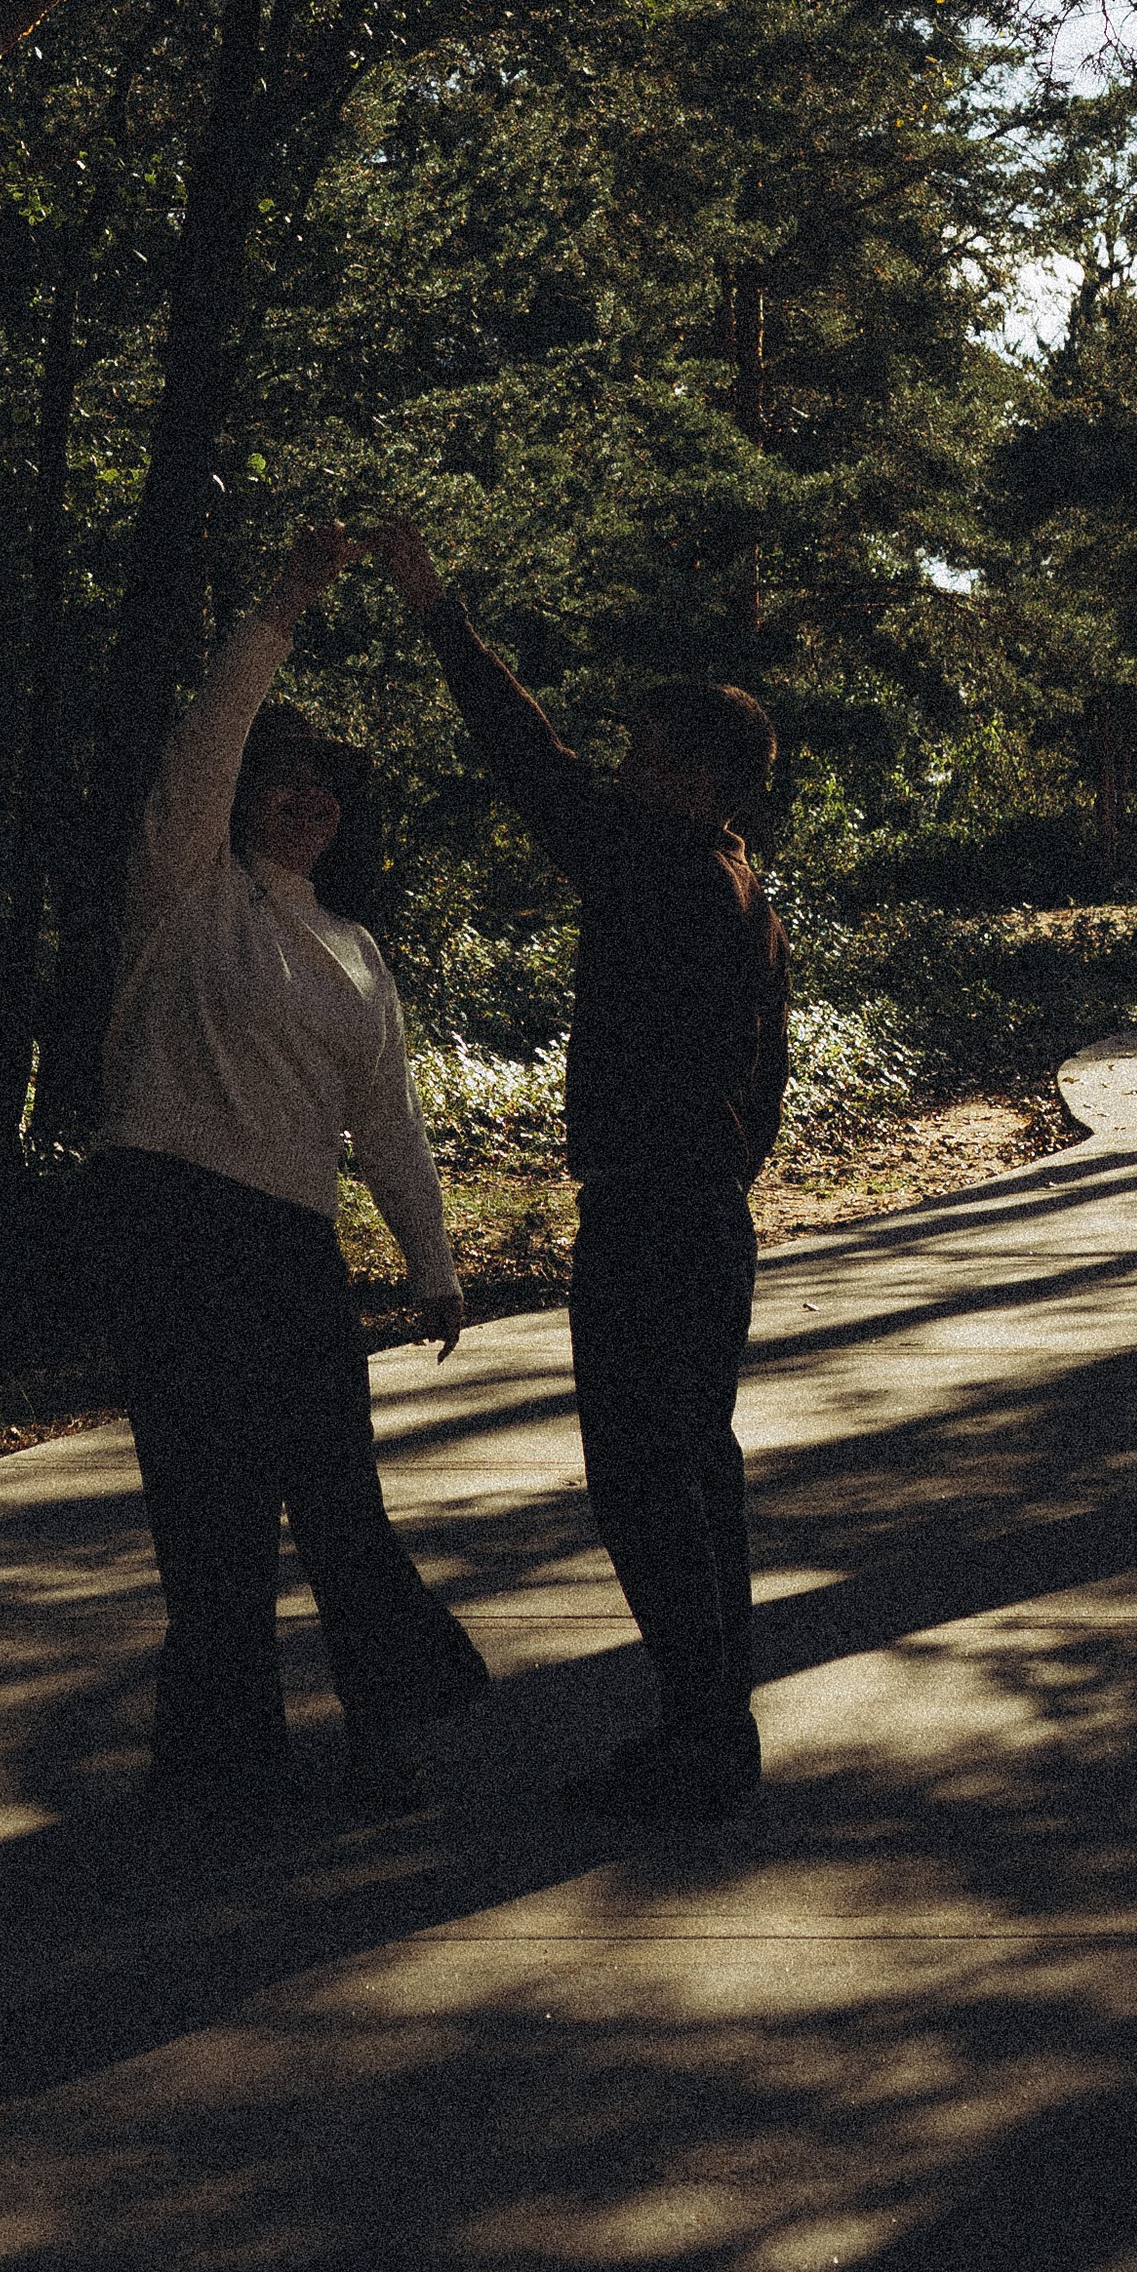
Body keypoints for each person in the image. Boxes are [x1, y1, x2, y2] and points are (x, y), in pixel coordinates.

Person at [368, 523, 790, 1822]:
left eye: (651, 754)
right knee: (695, 1471)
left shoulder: (661, 860)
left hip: (655, 1218)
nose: (626, 768)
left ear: (708, 779)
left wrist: (437, 610)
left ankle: (700, 1744)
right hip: (708, 1215)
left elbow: (524, 760)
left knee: (645, 1478)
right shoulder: (739, 885)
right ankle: (714, 1730)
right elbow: (768, 1081)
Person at [92, 522, 484, 1815]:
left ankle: (385, 1733)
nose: (307, 801)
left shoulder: (359, 952)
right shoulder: (186, 889)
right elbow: (207, 740)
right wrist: (285, 599)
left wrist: (432, 1267)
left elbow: (390, 1121)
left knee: (337, 1501)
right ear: (246, 794)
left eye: (329, 790)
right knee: (205, 1511)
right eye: (285, 781)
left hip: (290, 1244)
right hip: (168, 1224)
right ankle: (218, 1756)